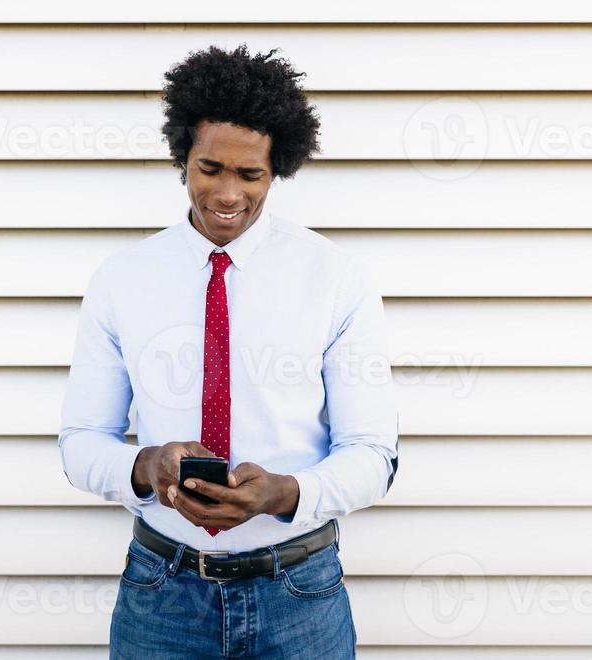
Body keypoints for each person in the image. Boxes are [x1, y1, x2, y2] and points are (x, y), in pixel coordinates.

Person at [58, 43, 400, 658]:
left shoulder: (335, 279)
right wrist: (147, 467)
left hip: (299, 595)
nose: (227, 194)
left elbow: (373, 454)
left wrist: (284, 494)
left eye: (251, 175)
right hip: (161, 595)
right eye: (210, 168)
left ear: (278, 171)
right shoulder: (123, 279)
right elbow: (82, 440)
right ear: (182, 159)